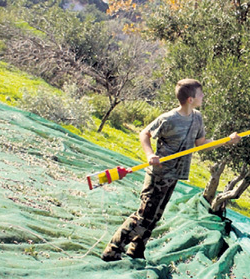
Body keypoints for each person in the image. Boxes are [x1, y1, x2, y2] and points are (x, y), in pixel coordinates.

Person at [101, 78, 241, 261]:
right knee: (144, 215)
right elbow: (144, 133)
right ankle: (112, 249)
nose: (203, 96)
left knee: (156, 215)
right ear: (190, 99)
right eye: (200, 93)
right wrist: (150, 154)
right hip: (158, 174)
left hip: (175, 174)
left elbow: (201, 144)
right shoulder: (169, 119)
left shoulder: (197, 117)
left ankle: (136, 250)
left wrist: (226, 141)